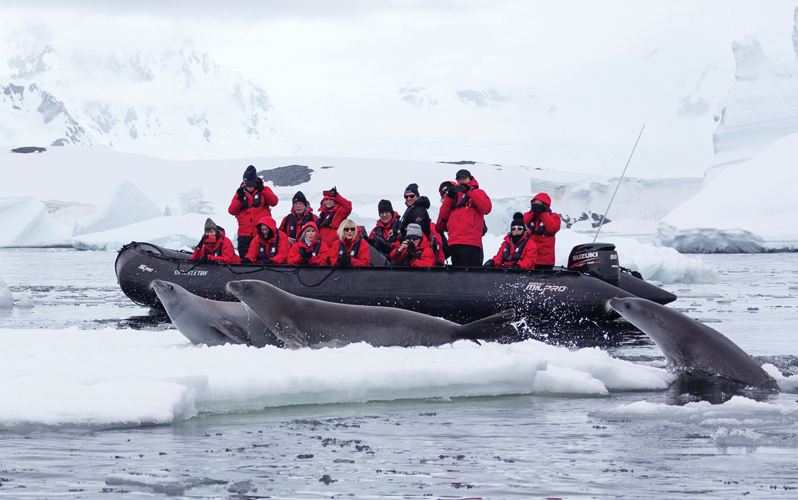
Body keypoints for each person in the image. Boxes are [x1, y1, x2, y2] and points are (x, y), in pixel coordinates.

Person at [438, 169, 491, 267]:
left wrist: (469, 191)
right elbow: (442, 217)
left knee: (470, 275)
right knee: (458, 276)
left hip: (471, 242)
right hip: (454, 243)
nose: (461, 181)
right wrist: (449, 197)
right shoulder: (453, 197)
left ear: (470, 179)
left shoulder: (478, 192)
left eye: (464, 178)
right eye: (459, 179)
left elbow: (486, 208)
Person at [228, 165, 279, 257]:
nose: (250, 185)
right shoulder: (240, 193)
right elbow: (232, 211)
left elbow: (274, 202)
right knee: (245, 263)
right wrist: (239, 199)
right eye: (247, 182)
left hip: (262, 234)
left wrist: (262, 190)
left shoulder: (264, 191)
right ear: (244, 181)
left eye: (252, 182)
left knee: (263, 260)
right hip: (244, 235)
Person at [523, 193, 561, 269]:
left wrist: (543, 213)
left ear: (546, 205)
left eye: (539, 204)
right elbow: (521, 226)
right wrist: (532, 212)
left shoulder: (553, 216)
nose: (537, 206)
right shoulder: (528, 215)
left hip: (546, 260)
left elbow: (553, 228)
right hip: (529, 258)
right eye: (535, 204)